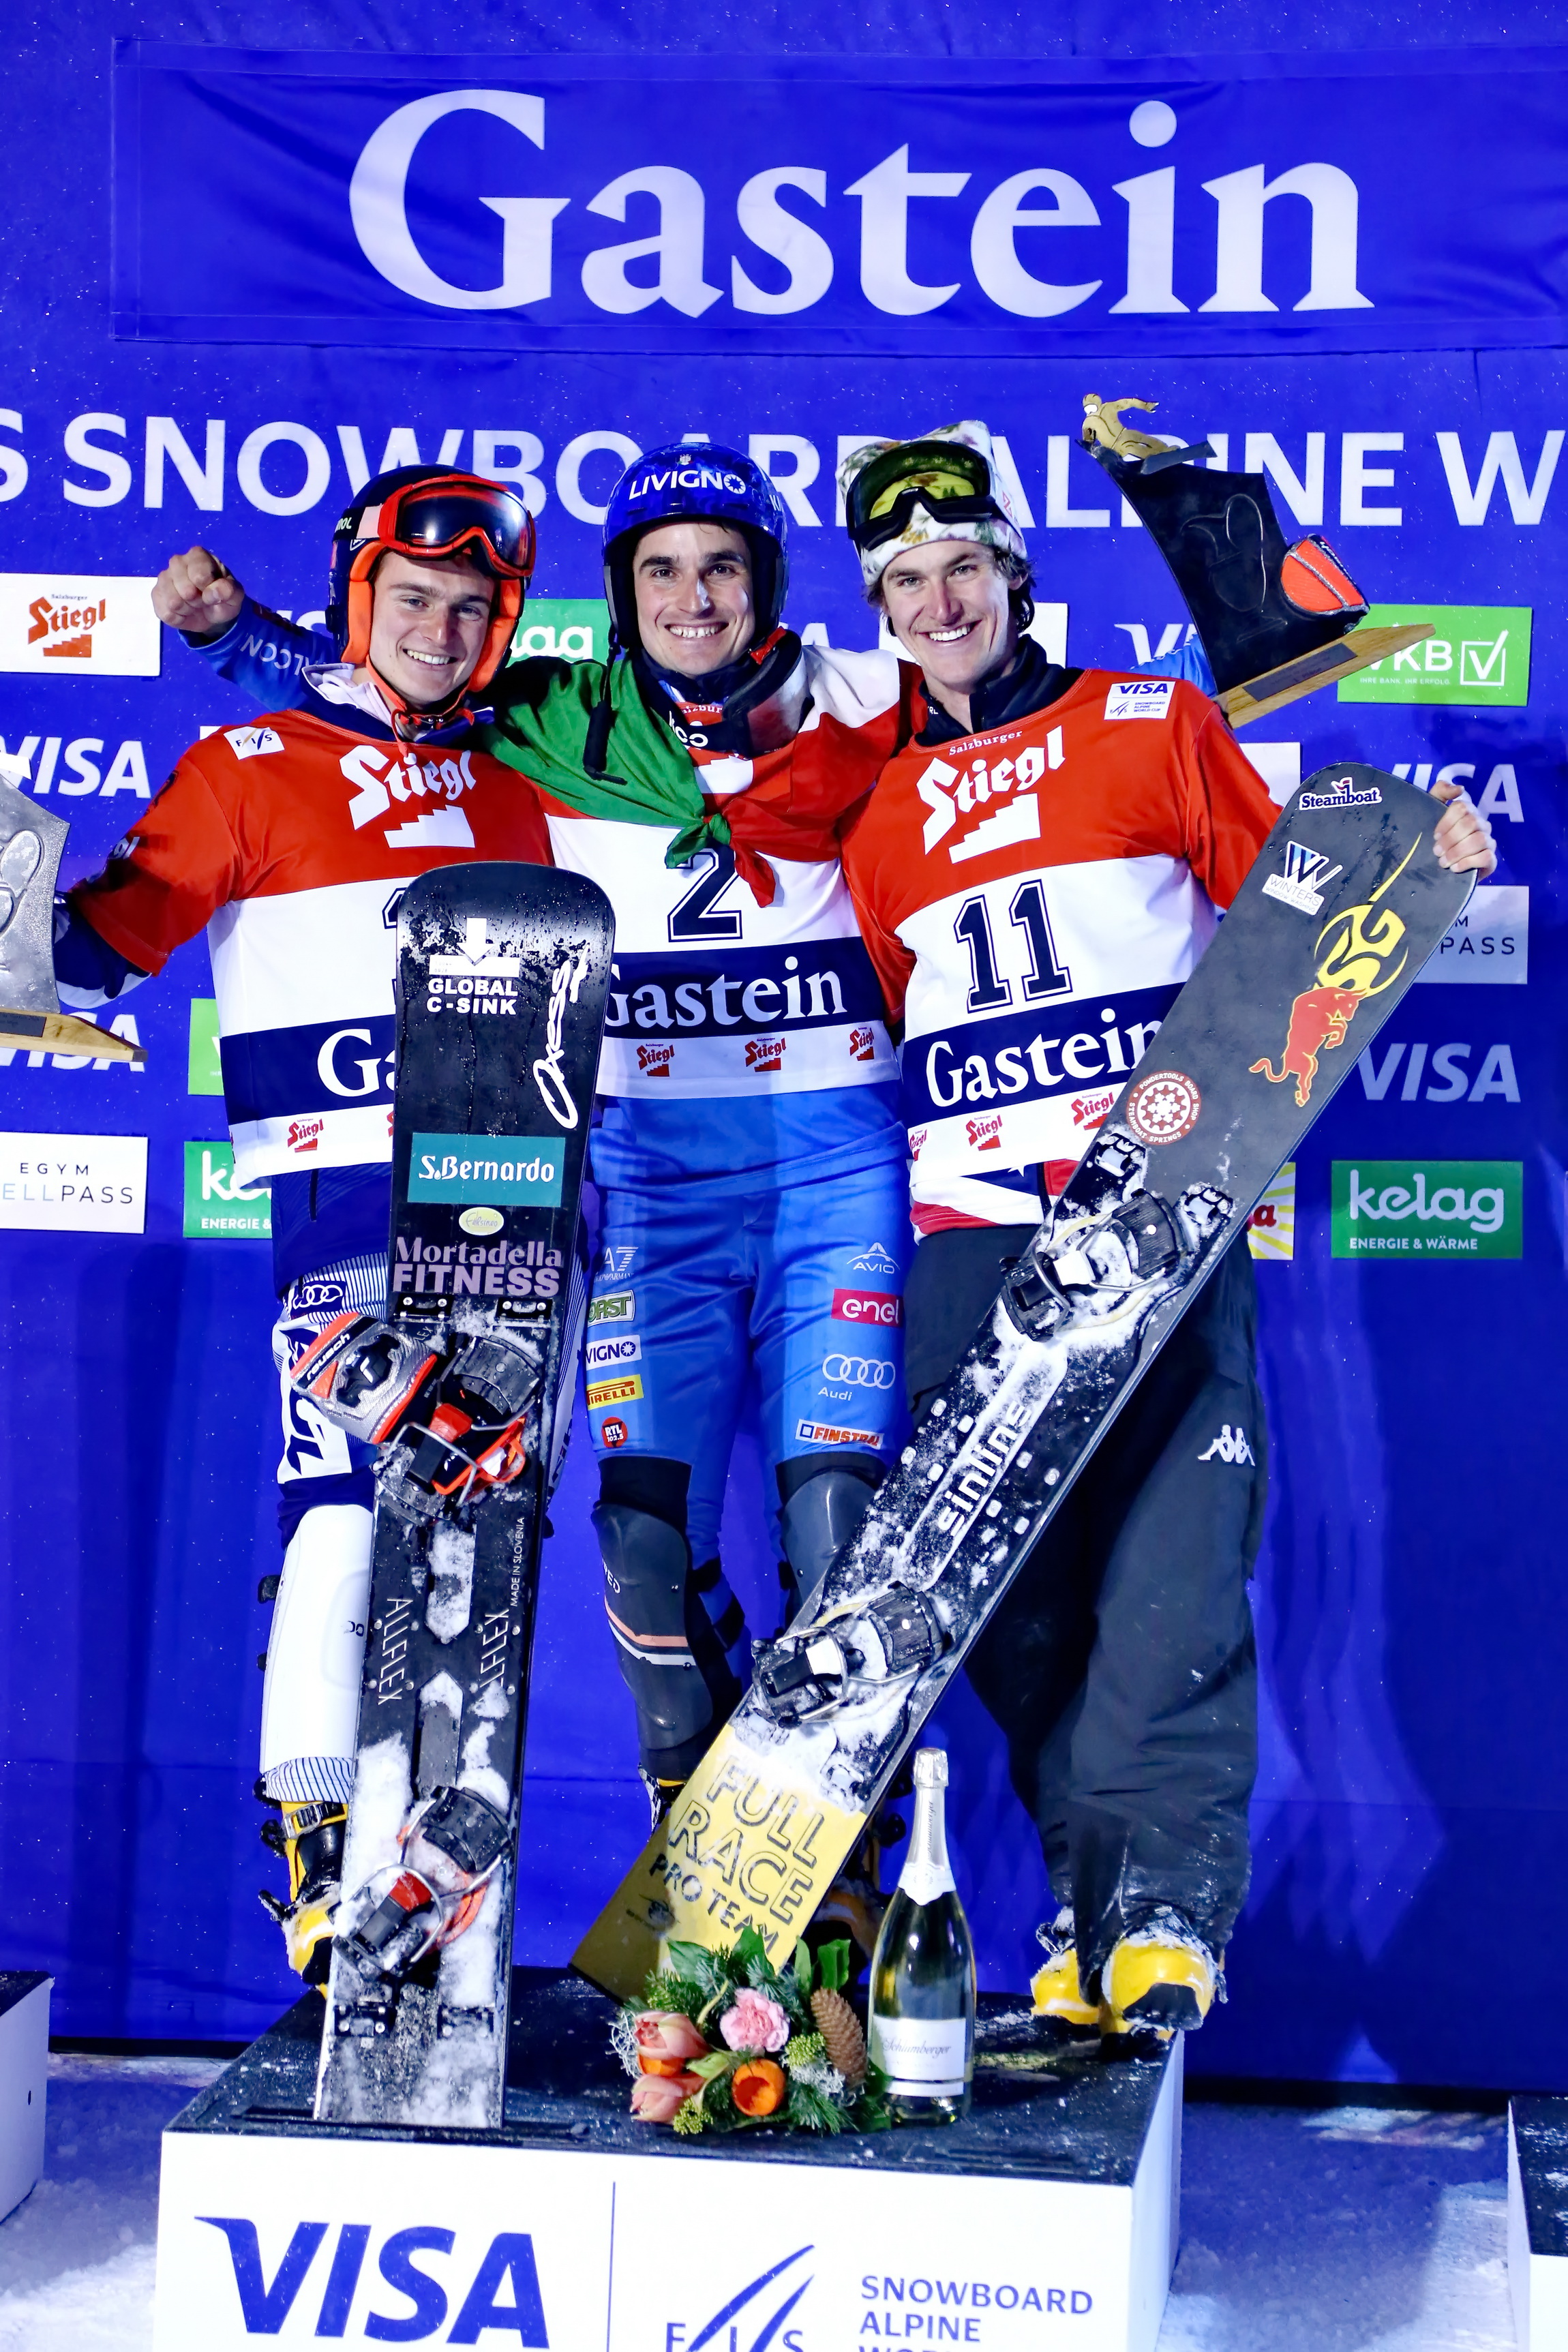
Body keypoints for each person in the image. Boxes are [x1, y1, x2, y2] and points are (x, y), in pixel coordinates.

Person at [151, 451, 918, 1915]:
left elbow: (999, 707)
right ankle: (707, 1850)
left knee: (835, 1525)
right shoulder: (548, 718)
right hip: (643, 1174)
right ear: (619, 595)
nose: (693, 599)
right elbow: (389, 688)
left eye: (723, 567)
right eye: (659, 570)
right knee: (634, 1541)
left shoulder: (861, 704)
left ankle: (836, 1862)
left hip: (832, 1173)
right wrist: (238, 634)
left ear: (768, 581)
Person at [834, 421, 1496, 2036]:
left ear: (1014, 576)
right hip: (971, 1224)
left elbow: (1292, 915)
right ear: (881, 612)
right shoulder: (877, 807)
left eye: (964, 568)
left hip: (1157, 1205)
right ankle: (1086, 1896)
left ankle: (1163, 1909)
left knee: (1175, 1566)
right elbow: (897, 1004)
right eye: (907, 583)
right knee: (1009, 1601)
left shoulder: (1147, 720)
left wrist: (1415, 864)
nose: (940, 603)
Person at [63, 470, 552, 1982]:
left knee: (478, 1547)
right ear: (357, 602)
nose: (440, 630)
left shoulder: (527, 776)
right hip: (339, 1200)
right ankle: (320, 1855)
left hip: (516, 1208)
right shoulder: (251, 766)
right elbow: (98, 948)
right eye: (411, 599)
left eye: (470, 607)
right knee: (343, 1518)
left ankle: (439, 1864)